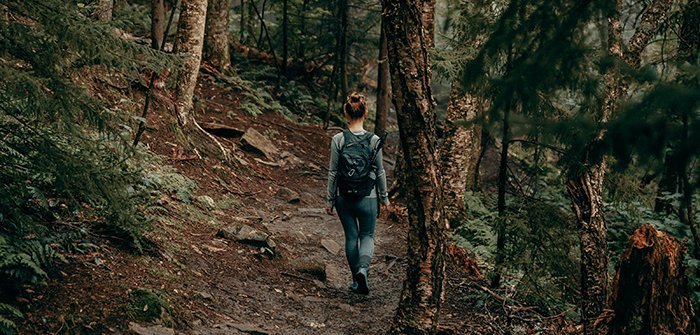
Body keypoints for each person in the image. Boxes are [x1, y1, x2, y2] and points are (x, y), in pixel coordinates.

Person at [325, 92, 389, 295]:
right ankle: (363, 269)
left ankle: (355, 281)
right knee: (367, 235)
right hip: (367, 198)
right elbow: (379, 171)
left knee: (351, 237)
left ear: (346, 112)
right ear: (366, 112)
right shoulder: (374, 140)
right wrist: (385, 198)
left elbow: (333, 171)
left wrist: (329, 200)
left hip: (344, 197)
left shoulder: (338, 139)